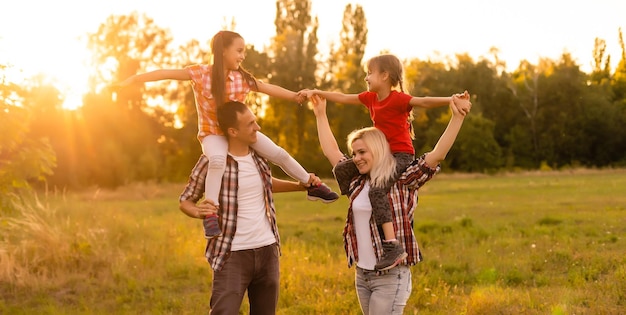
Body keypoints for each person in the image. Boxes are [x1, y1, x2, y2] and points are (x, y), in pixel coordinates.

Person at [118, 30, 338, 237]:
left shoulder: (241, 79)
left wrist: (296, 96)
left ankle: (311, 184)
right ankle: (211, 212)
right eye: (239, 51)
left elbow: (266, 87)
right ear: (223, 50)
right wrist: (135, 79)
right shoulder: (200, 74)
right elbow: (165, 74)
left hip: (240, 133)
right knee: (216, 159)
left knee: (278, 153)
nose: (243, 56)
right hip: (212, 134)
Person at [300, 54, 470, 270]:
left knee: (377, 191)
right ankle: (341, 192)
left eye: (370, 73)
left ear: (385, 75)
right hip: (382, 155)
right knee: (343, 169)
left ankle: (392, 245)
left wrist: (451, 100)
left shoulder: (398, 99)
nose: (366, 78)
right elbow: (342, 97)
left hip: (400, 156)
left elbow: (424, 101)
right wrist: (316, 93)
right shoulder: (370, 99)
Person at [309, 93, 470, 314]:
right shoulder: (358, 182)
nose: (356, 158)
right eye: (354, 153)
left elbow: (437, 155)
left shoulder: (403, 179)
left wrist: (457, 117)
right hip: (363, 274)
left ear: (378, 150)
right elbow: (331, 152)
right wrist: (320, 114)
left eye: (362, 152)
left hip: (391, 277)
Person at [179, 100, 319, 314]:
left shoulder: (260, 157)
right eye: (251, 124)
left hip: (267, 250)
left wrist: (299, 187)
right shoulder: (212, 160)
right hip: (232, 254)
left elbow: (266, 182)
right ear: (233, 131)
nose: (258, 128)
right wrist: (198, 211)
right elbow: (186, 200)